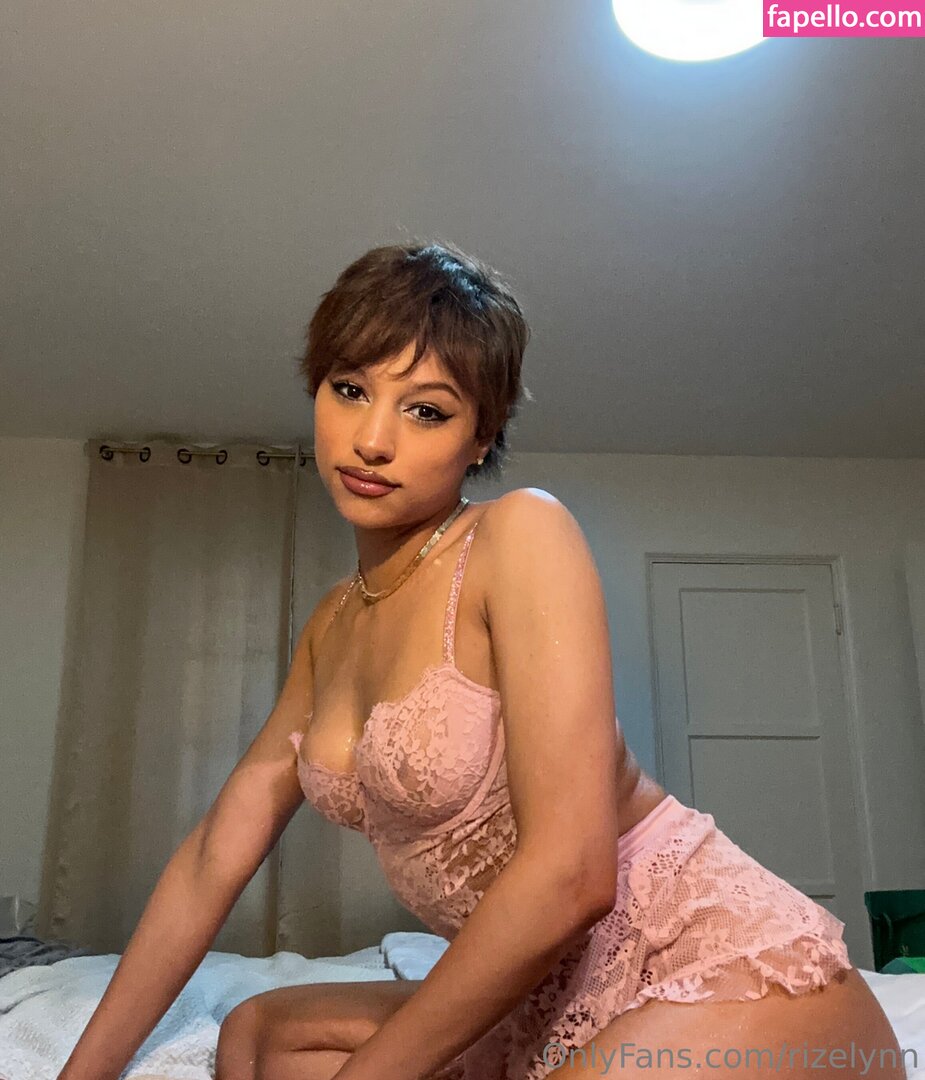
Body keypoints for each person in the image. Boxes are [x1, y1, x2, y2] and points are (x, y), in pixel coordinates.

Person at [59, 242, 904, 1080]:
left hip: (712, 964)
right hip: (540, 996)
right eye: (349, 390)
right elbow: (213, 856)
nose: (372, 439)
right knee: (258, 1037)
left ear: (479, 437)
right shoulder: (332, 624)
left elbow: (573, 877)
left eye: (426, 411)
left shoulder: (517, 535)